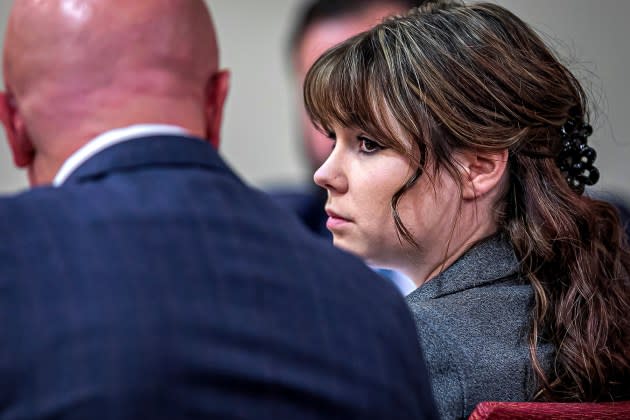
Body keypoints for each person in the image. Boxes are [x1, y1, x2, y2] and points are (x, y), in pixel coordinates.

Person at [0, 1, 437, 419]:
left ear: (14, 128)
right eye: (321, 102)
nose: (330, 160)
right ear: (216, 104)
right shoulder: (371, 305)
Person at [304, 0, 630, 418]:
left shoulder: (417, 346)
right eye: (334, 139)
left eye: (369, 144)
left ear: (479, 168)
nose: (325, 174)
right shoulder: (589, 309)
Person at [272, 0, 423, 295]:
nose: (338, 114)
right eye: (320, 93)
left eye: (376, 85)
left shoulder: (527, 266)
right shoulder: (267, 236)